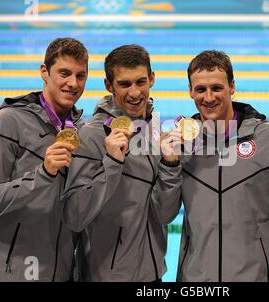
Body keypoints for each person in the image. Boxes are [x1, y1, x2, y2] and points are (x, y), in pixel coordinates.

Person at [158, 50, 269, 281]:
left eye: (216, 88)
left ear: (232, 87)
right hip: (196, 280)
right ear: (190, 91)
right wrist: (169, 163)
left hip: (254, 275)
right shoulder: (180, 144)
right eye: (200, 89)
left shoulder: (268, 138)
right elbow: (164, 214)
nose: (209, 97)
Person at [0, 37, 89, 281]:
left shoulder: (81, 128)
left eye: (80, 76)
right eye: (64, 73)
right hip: (14, 273)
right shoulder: (7, 122)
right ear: (44, 72)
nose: (73, 83)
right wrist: (43, 174)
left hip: (63, 272)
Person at [62, 44, 171, 281]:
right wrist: (111, 162)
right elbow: (75, 215)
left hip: (153, 272)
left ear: (152, 79)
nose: (134, 93)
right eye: (124, 84)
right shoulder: (92, 135)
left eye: (140, 82)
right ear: (109, 86)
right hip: (107, 274)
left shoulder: (153, 125)